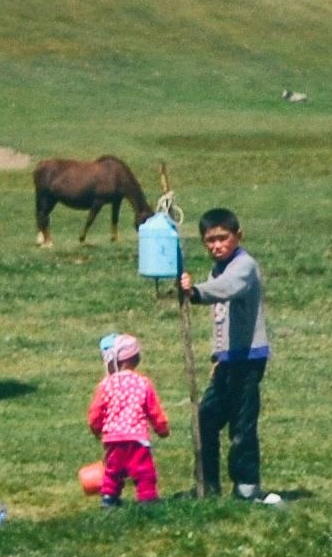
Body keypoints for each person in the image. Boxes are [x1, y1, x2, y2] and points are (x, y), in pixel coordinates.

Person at [177, 208, 277, 501]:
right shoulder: (217, 270)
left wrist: (195, 292)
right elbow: (220, 321)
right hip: (227, 360)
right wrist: (217, 356)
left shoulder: (244, 267)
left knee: (242, 423)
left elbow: (226, 290)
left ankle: (247, 485)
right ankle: (207, 485)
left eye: (223, 238)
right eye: (210, 240)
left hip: (247, 359)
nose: (217, 245)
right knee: (206, 417)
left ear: (238, 236)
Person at [85, 332, 167, 505]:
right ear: (136, 359)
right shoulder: (143, 383)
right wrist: (162, 428)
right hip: (137, 438)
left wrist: (95, 427)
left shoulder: (106, 384)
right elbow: (154, 410)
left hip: (113, 438)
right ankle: (147, 498)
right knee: (144, 471)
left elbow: (96, 410)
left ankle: (109, 498)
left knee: (113, 470)